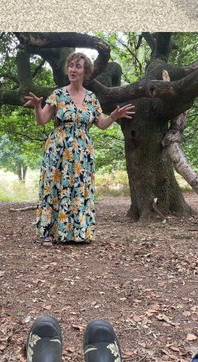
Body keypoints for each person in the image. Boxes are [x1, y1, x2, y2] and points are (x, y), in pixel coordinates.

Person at [24, 50, 134, 246]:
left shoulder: (91, 98)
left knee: (79, 188)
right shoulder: (57, 94)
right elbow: (42, 120)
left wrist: (114, 116)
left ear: (86, 72)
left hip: (82, 151)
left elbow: (101, 123)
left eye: (78, 66)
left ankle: (77, 232)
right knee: (54, 188)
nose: (73, 69)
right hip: (58, 149)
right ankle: (48, 233)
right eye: (71, 66)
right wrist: (36, 106)